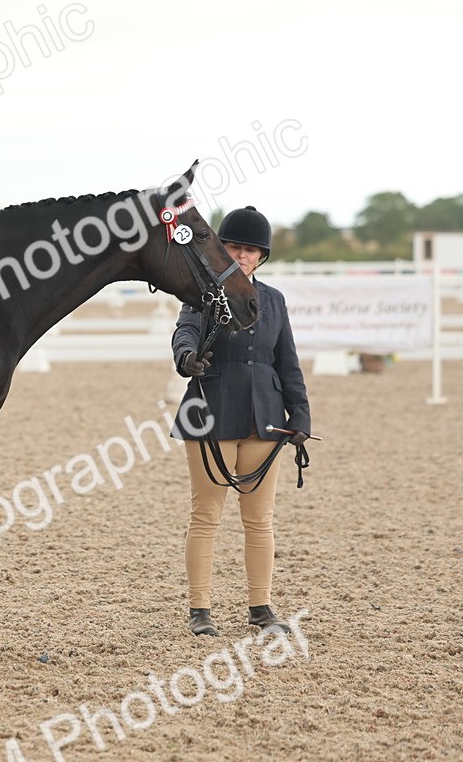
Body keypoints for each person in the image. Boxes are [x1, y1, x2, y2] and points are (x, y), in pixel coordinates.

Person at [170, 205, 311, 637]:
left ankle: (261, 607)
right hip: (211, 409)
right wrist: (186, 357)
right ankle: (200, 610)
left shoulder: (273, 300)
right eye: (235, 247)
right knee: (206, 514)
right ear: (222, 250)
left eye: (251, 250)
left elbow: (287, 361)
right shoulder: (203, 293)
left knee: (259, 518)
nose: (243, 255)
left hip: (265, 418)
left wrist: (300, 413)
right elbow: (185, 331)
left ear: (261, 256)